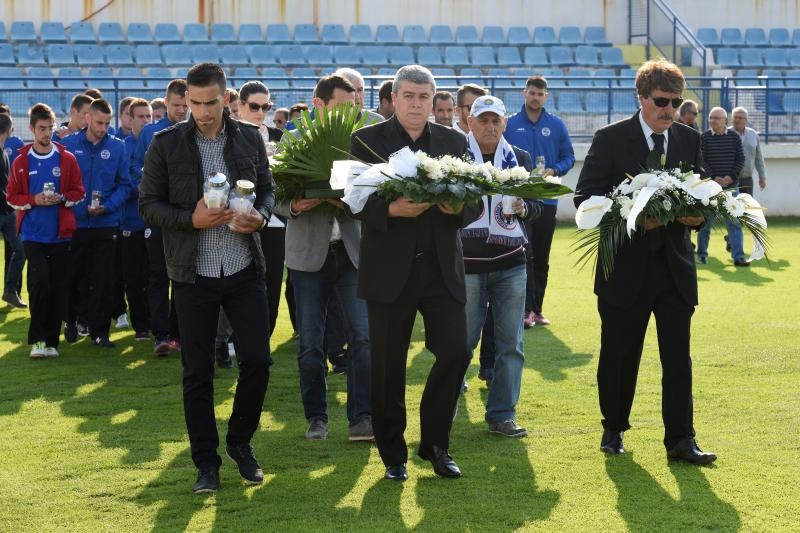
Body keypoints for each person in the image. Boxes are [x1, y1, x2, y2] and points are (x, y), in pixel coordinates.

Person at [139, 62, 274, 494]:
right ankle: (206, 463)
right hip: (193, 274)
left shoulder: (251, 137)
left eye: (209, 102)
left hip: (243, 268)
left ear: (226, 98)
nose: (200, 111)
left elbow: (268, 190)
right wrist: (189, 219)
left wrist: (261, 215)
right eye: (193, 103)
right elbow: (148, 204)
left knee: (257, 360)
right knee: (197, 372)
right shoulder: (165, 144)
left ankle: (240, 442)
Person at [575, 58, 716, 465]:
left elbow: (705, 193)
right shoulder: (610, 138)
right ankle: (614, 427)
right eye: (661, 101)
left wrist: (698, 216)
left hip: (675, 270)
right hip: (624, 270)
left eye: (676, 102)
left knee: (678, 359)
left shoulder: (689, 139)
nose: (669, 110)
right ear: (641, 98)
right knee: (619, 354)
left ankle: (681, 440)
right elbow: (586, 199)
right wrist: (636, 217)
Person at [349, 65, 480, 481]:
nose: (416, 104)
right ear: (393, 98)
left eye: (424, 97)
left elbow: (475, 201)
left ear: (434, 100)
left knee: (456, 352)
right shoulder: (367, 141)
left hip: (441, 270)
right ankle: (393, 456)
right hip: (389, 272)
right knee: (387, 366)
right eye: (408, 96)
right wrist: (390, 209)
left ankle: (436, 444)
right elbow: (353, 199)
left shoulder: (454, 141)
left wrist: (460, 207)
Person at [274, 74, 372, 441]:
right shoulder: (293, 137)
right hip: (308, 255)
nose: (350, 113)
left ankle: (362, 416)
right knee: (310, 343)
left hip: (352, 253)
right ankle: (317, 417)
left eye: (354, 106)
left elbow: (376, 190)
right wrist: (296, 204)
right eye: (342, 107)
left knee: (363, 337)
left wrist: (352, 199)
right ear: (319, 104)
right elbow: (277, 193)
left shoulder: (362, 138)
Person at [460, 95, 542, 437]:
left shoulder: (519, 159)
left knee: (512, 344)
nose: (490, 127)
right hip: (466, 264)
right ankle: (445, 407)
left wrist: (524, 209)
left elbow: (538, 206)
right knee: (460, 342)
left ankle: (502, 414)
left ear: (505, 124)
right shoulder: (456, 158)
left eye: (496, 121)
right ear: (470, 123)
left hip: (511, 263)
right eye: (483, 120)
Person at [6, 103, 84, 358]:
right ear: (31, 128)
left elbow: (78, 192)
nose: (47, 133)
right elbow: (12, 197)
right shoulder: (20, 160)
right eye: (41, 128)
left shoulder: (66, 158)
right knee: (39, 284)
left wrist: (62, 198)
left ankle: (51, 342)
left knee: (59, 288)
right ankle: (37, 342)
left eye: (50, 127)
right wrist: (34, 199)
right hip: (33, 234)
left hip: (60, 234)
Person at [61, 98, 133, 348]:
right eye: (99, 122)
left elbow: (125, 185)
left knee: (104, 279)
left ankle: (100, 332)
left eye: (106, 123)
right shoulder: (68, 145)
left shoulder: (118, 147)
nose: (103, 128)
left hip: (106, 223)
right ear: (88, 118)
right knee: (73, 276)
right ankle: (72, 319)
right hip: (76, 224)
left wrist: (108, 207)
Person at [505, 76, 575, 328]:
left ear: (546, 96)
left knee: (542, 257)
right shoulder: (510, 124)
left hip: (547, 202)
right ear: (524, 93)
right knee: (524, 254)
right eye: (532, 93)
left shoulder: (556, 125)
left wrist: (555, 170)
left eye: (540, 93)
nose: (535, 97)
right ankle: (523, 310)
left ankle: (537, 308)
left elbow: (569, 157)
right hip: (519, 202)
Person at [135, 79, 188, 355]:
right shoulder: (149, 134)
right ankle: (161, 335)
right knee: (157, 275)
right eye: (176, 104)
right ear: (165, 102)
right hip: (156, 215)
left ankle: (179, 333)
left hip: (185, 216)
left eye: (184, 104)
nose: (181, 109)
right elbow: (136, 167)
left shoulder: (195, 131)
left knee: (183, 275)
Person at [120, 98, 153, 341]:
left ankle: (156, 323)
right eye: (140, 116)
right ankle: (140, 325)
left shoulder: (157, 143)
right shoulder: (123, 147)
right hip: (131, 223)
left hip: (156, 224)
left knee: (156, 277)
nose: (145, 121)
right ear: (130, 119)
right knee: (133, 278)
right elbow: (126, 184)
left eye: (148, 117)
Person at [696, 107, 746, 266]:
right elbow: (701, 161)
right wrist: (713, 178)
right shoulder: (703, 138)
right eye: (711, 117)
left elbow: (740, 159)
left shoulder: (734, 137)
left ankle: (738, 257)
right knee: (705, 223)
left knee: (734, 223)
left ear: (725, 120)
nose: (712, 121)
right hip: (710, 188)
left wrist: (730, 177)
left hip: (731, 187)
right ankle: (702, 255)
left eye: (716, 118)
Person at [0, 113, 27, 308]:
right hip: (6, 209)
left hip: (7, 212)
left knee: (21, 249)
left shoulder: (3, 151)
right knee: (20, 250)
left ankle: (10, 291)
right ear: (9, 129)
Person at [730, 106, 767, 196]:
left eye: (740, 118)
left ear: (746, 120)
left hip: (747, 179)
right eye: (735, 117)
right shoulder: (726, 133)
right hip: (730, 179)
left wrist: (762, 176)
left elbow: (758, 157)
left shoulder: (753, 134)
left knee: (747, 207)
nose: (737, 120)